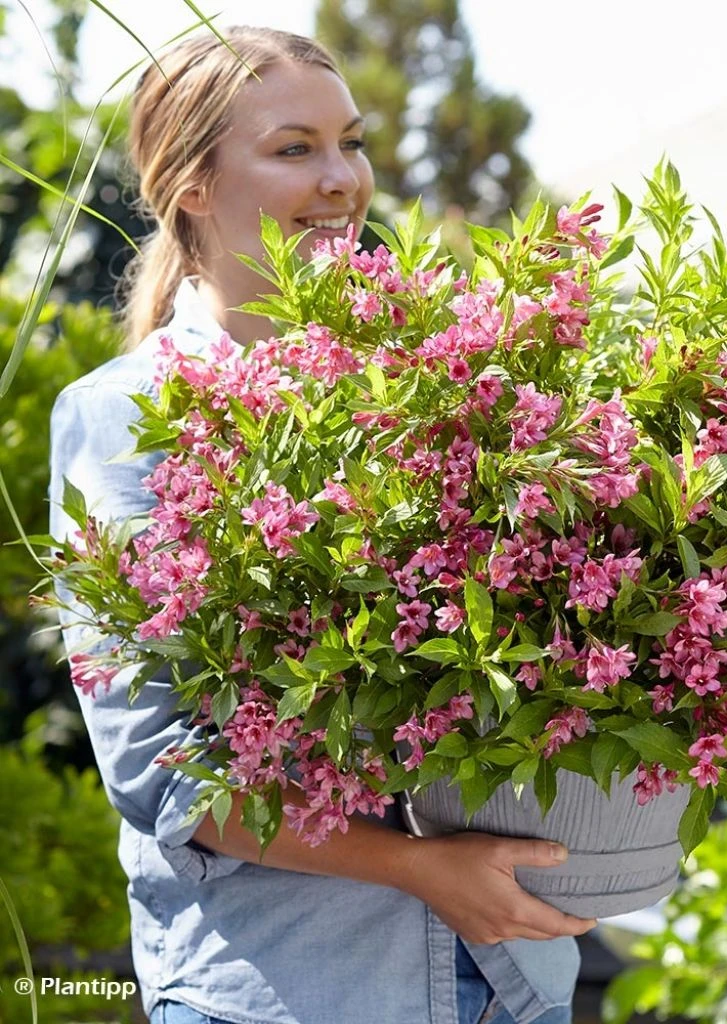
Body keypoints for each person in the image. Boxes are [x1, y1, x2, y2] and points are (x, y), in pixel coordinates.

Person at [48, 26, 596, 1024]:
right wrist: (419, 867)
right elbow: (166, 774)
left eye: (351, 141)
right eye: (294, 148)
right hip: (288, 991)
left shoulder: (441, 380)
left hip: (511, 987)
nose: (342, 177)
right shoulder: (122, 418)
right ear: (195, 185)